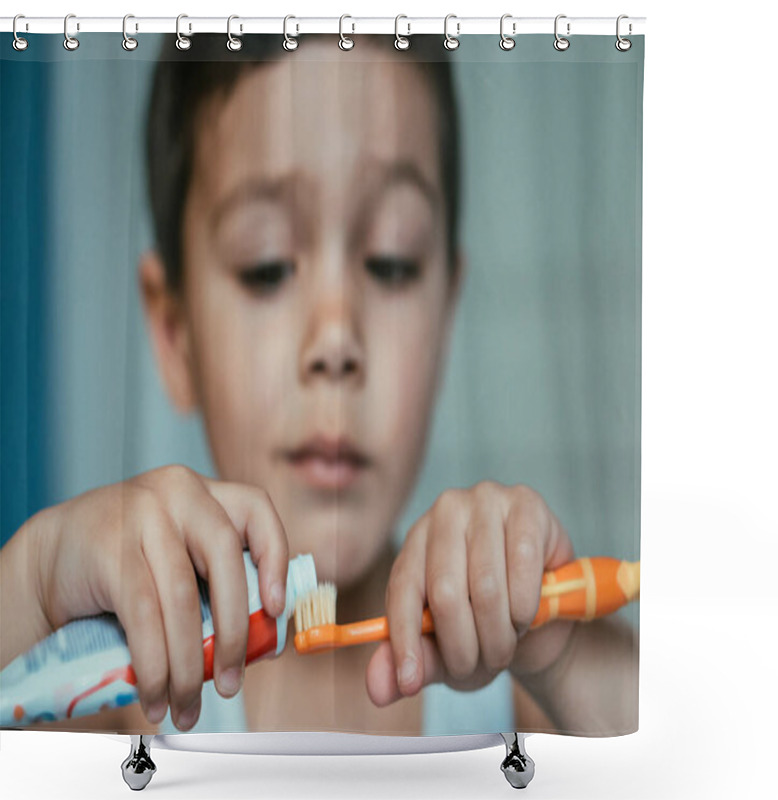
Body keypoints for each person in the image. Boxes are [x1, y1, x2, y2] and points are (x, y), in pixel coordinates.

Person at [0, 33, 638, 736]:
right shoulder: (117, 708)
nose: (336, 339)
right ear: (174, 332)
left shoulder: (521, 699)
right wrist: (27, 587)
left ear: (446, 315)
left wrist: (566, 652)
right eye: (267, 266)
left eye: (391, 262)